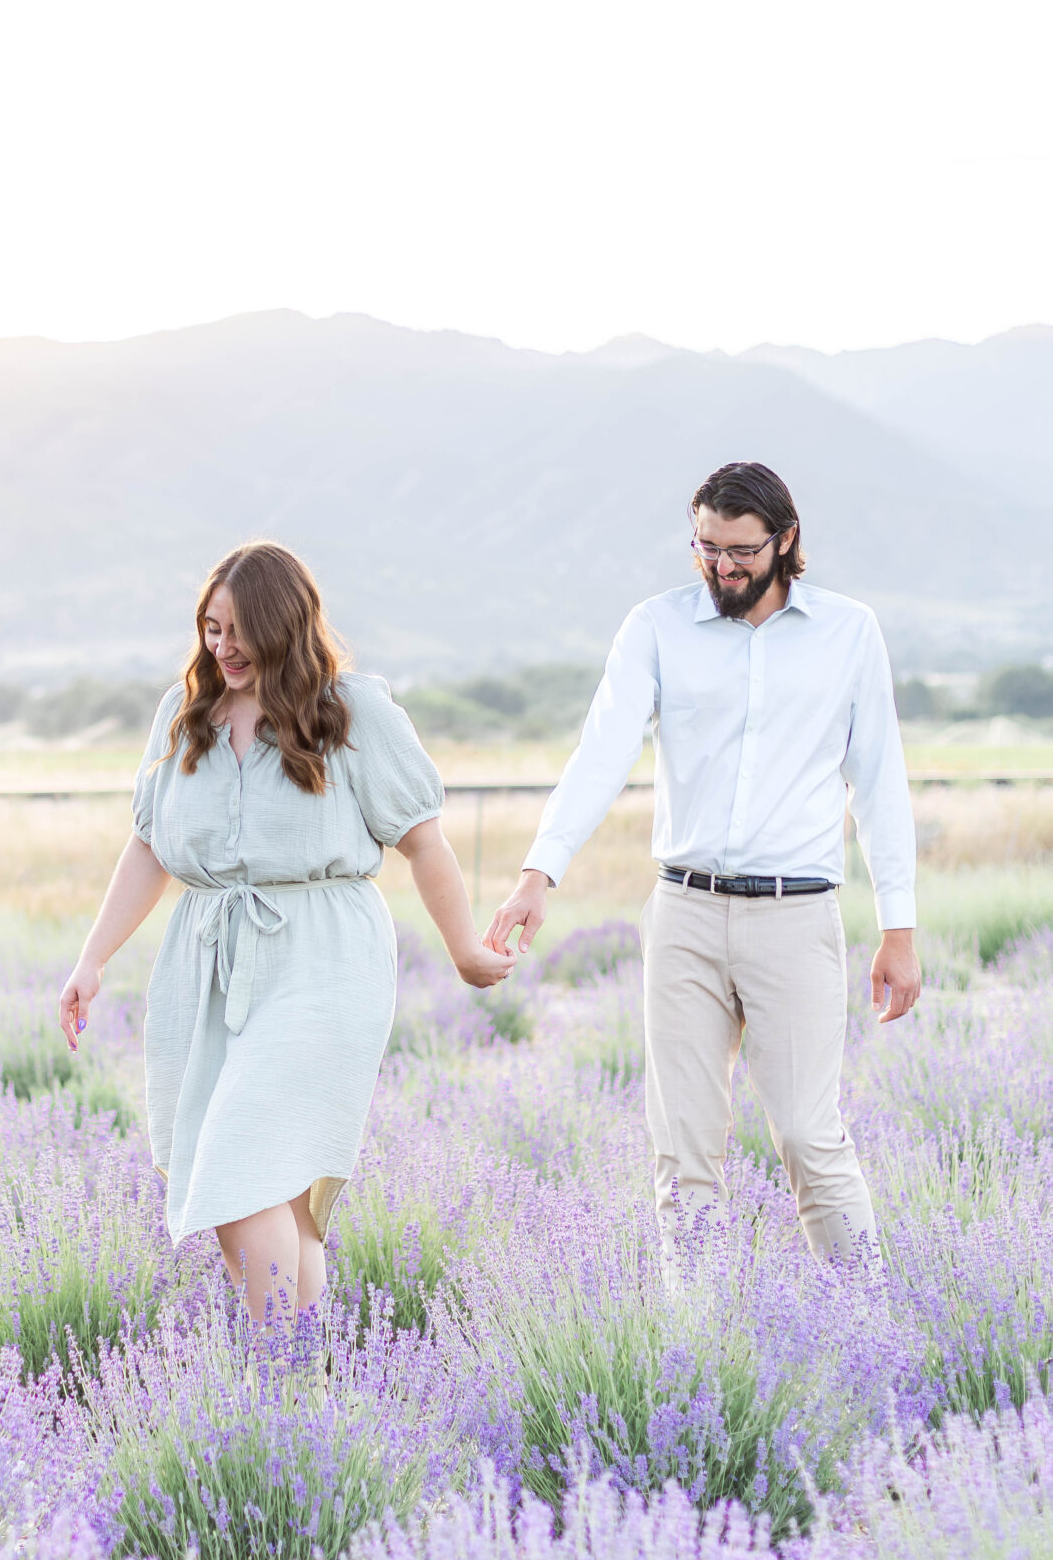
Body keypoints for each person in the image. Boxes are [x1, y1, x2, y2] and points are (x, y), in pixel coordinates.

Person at [59, 541, 517, 1320]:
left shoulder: (351, 710)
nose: (223, 648)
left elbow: (422, 841)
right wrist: (92, 958)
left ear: (286, 626)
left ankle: (275, 1374)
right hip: (205, 958)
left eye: (240, 631)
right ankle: (302, 1384)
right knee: (269, 1185)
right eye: (210, 628)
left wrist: (466, 950)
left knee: (241, 1163)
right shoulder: (183, 714)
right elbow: (147, 847)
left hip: (322, 958)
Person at [485, 461, 919, 1263]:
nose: (721, 566)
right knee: (683, 1153)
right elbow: (600, 755)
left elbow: (879, 782)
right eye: (706, 547)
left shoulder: (849, 632)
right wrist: (536, 874)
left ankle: (871, 1319)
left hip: (796, 915)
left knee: (806, 1137)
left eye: (740, 550)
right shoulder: (654, 627)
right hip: (683, 913)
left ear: (785, 540)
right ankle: (703, 1353)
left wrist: (899, 928)